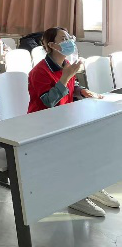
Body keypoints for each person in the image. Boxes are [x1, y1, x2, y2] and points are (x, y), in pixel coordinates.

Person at [27, 27, 118, 217]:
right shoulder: (39, 71)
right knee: (75, 149)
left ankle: (92, 187)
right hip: (43, 125)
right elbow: (48, 101)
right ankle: (75, 196)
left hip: (64, 119)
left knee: (93, 142)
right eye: (63, 38)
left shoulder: (66, 63)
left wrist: (82, 90)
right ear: (52, 45)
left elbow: (72, 85)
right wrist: (66, 76)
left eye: (69, 37)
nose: (69, 40)